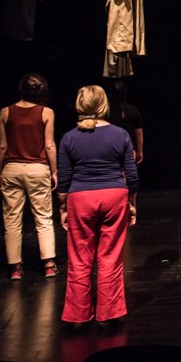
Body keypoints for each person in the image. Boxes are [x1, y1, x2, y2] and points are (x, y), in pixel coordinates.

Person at [57, 85, 138, 326]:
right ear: (104, 105)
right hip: (114, 196)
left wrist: (63, 208)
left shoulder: (69, 137)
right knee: (110, 256)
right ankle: (109, 313)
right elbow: (132, 175)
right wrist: (132, 203)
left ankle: (78, 316)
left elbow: (64, 179)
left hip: (80, 198)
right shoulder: (121, 135)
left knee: (79, 258)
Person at [0, 73, 58, 281]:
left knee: (12, 219)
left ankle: (15, 267)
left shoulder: (5, 112)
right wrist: (55, 171)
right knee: (43, 217)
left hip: (12, 168)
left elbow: (2, 146)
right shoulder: (46, 112)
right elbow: (49, 145)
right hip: (37, 169)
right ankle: (49, 264)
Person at [105, 78, 144, 164]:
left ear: (110, 94)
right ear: (125, 94)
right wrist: (140, 151)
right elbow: (139, 133)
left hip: (110, 150)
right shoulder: (133, 110)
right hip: (129, 151)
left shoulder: (105, 112)